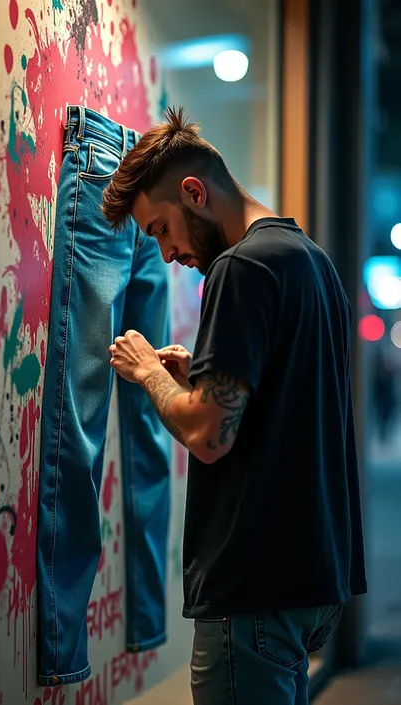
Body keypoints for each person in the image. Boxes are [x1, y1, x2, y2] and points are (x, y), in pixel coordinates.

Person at [101, 107, 367, 705]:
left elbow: (208, 434)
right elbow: (284, 396)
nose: (167, 254)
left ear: (194, 192)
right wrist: (198, 373)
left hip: (252, 588)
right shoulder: (310, 261)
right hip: (309, 578)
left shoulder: (239, 267)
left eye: (161, 229)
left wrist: (148, 374)